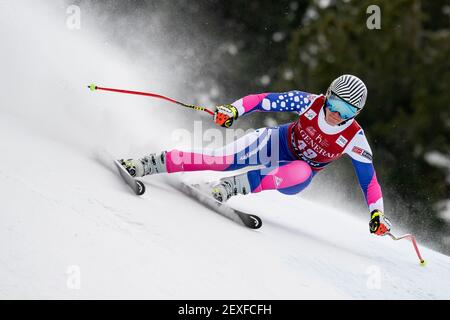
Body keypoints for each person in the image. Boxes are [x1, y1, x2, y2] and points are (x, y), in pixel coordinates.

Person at [120, 74, 391, 236]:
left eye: (345, 112)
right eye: (333, 104)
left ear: (355, 115)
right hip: (276, 142)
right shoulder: (310, 102)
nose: (334, 114)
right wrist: (234, 110)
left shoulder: (354, 138)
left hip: (294, 176)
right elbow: (264, 100)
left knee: (301, 170)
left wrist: (377, 215)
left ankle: (227, 188)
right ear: (327, 95)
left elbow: (369, 181)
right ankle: (147, 163)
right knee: (219, 160)